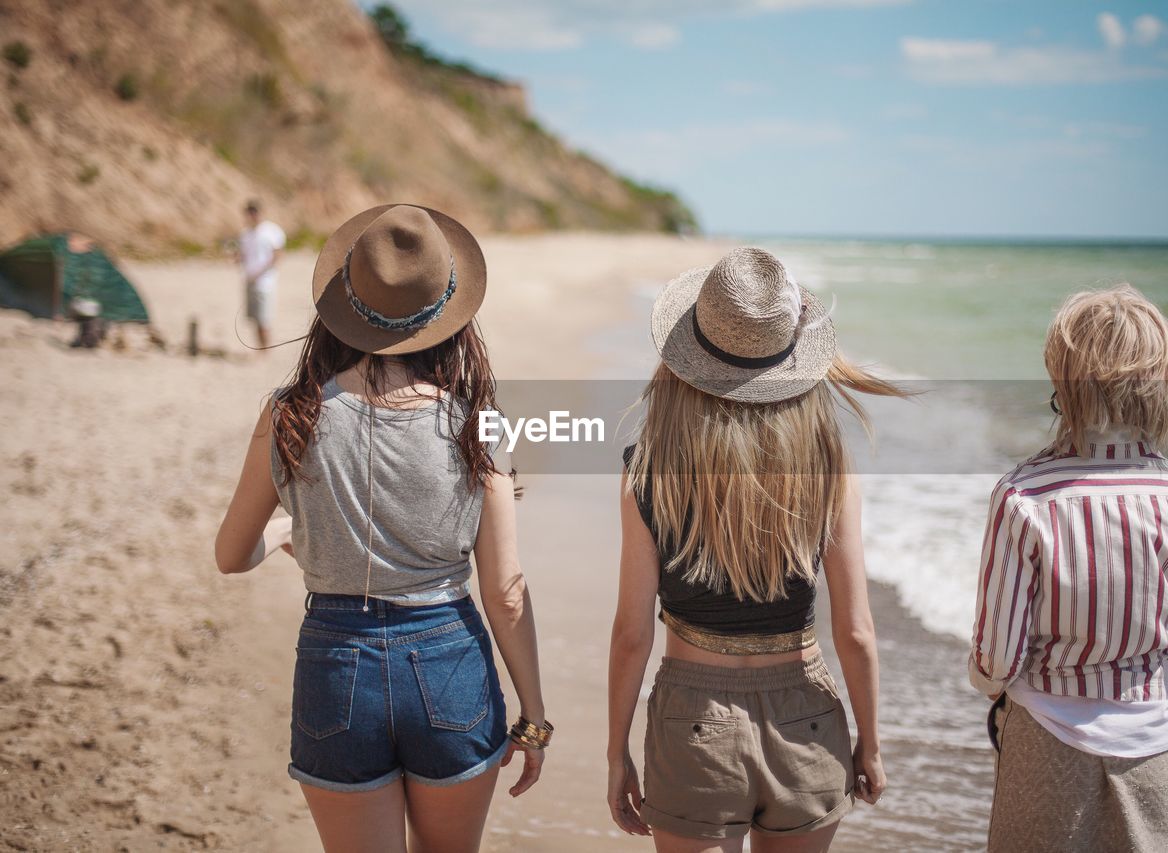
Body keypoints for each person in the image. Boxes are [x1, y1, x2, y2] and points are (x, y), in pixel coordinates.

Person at [214, 204, 549, 852]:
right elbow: (505, 589)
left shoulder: (292, 414)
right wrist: (534, 717)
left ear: (346, 302)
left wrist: (291, 535)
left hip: (337, 661)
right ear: (449, 313)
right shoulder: (477, 421)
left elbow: (231, 554)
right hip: (450, 659)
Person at [608, 247, 907, 852]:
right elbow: (855, 631)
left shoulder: (648, 471)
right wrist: (869, 742)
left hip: (693, 719)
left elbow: (631, 633)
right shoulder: (826, 468)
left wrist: (616, 754)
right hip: (807, 714)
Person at [969, 284, 1168, 853]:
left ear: (1063, 384)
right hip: (1156, 738)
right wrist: (1164, 679)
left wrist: (993, 688)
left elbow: (997, 658)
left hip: (1048, 733)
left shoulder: (1027, 496)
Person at [236, 200, 286, 349]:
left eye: (254, 212)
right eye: (249, 212)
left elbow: (278, 254)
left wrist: (261, 272)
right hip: (249, 279)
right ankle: (259, 348)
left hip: (265, 282)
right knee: (254, 318)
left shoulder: (271, 231)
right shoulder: (245, 233)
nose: (252, 215)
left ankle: (265, 350)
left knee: (264, 319)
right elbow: (244, 255)